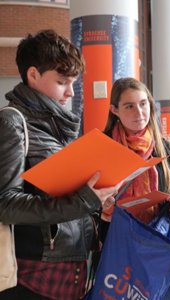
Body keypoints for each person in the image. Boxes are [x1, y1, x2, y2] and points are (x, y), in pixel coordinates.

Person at [0, 30, 120, 300]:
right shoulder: (12, 123)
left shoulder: (59, 127)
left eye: (73, 82)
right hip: (32, 277)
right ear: (33, 75)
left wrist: (97, 202)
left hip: (71, 271)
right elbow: (5, 204)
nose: (70, 92)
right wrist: (82, 201)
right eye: (62, 81)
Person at [96, 76, 170, 237]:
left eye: (143, 104)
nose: (139, 112)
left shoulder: (166, 150)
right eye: (129, 106)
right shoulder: (101, 148)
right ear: (114, 110)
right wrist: (102, 210)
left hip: (155, 243)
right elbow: (82, 205)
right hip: (113, 243)